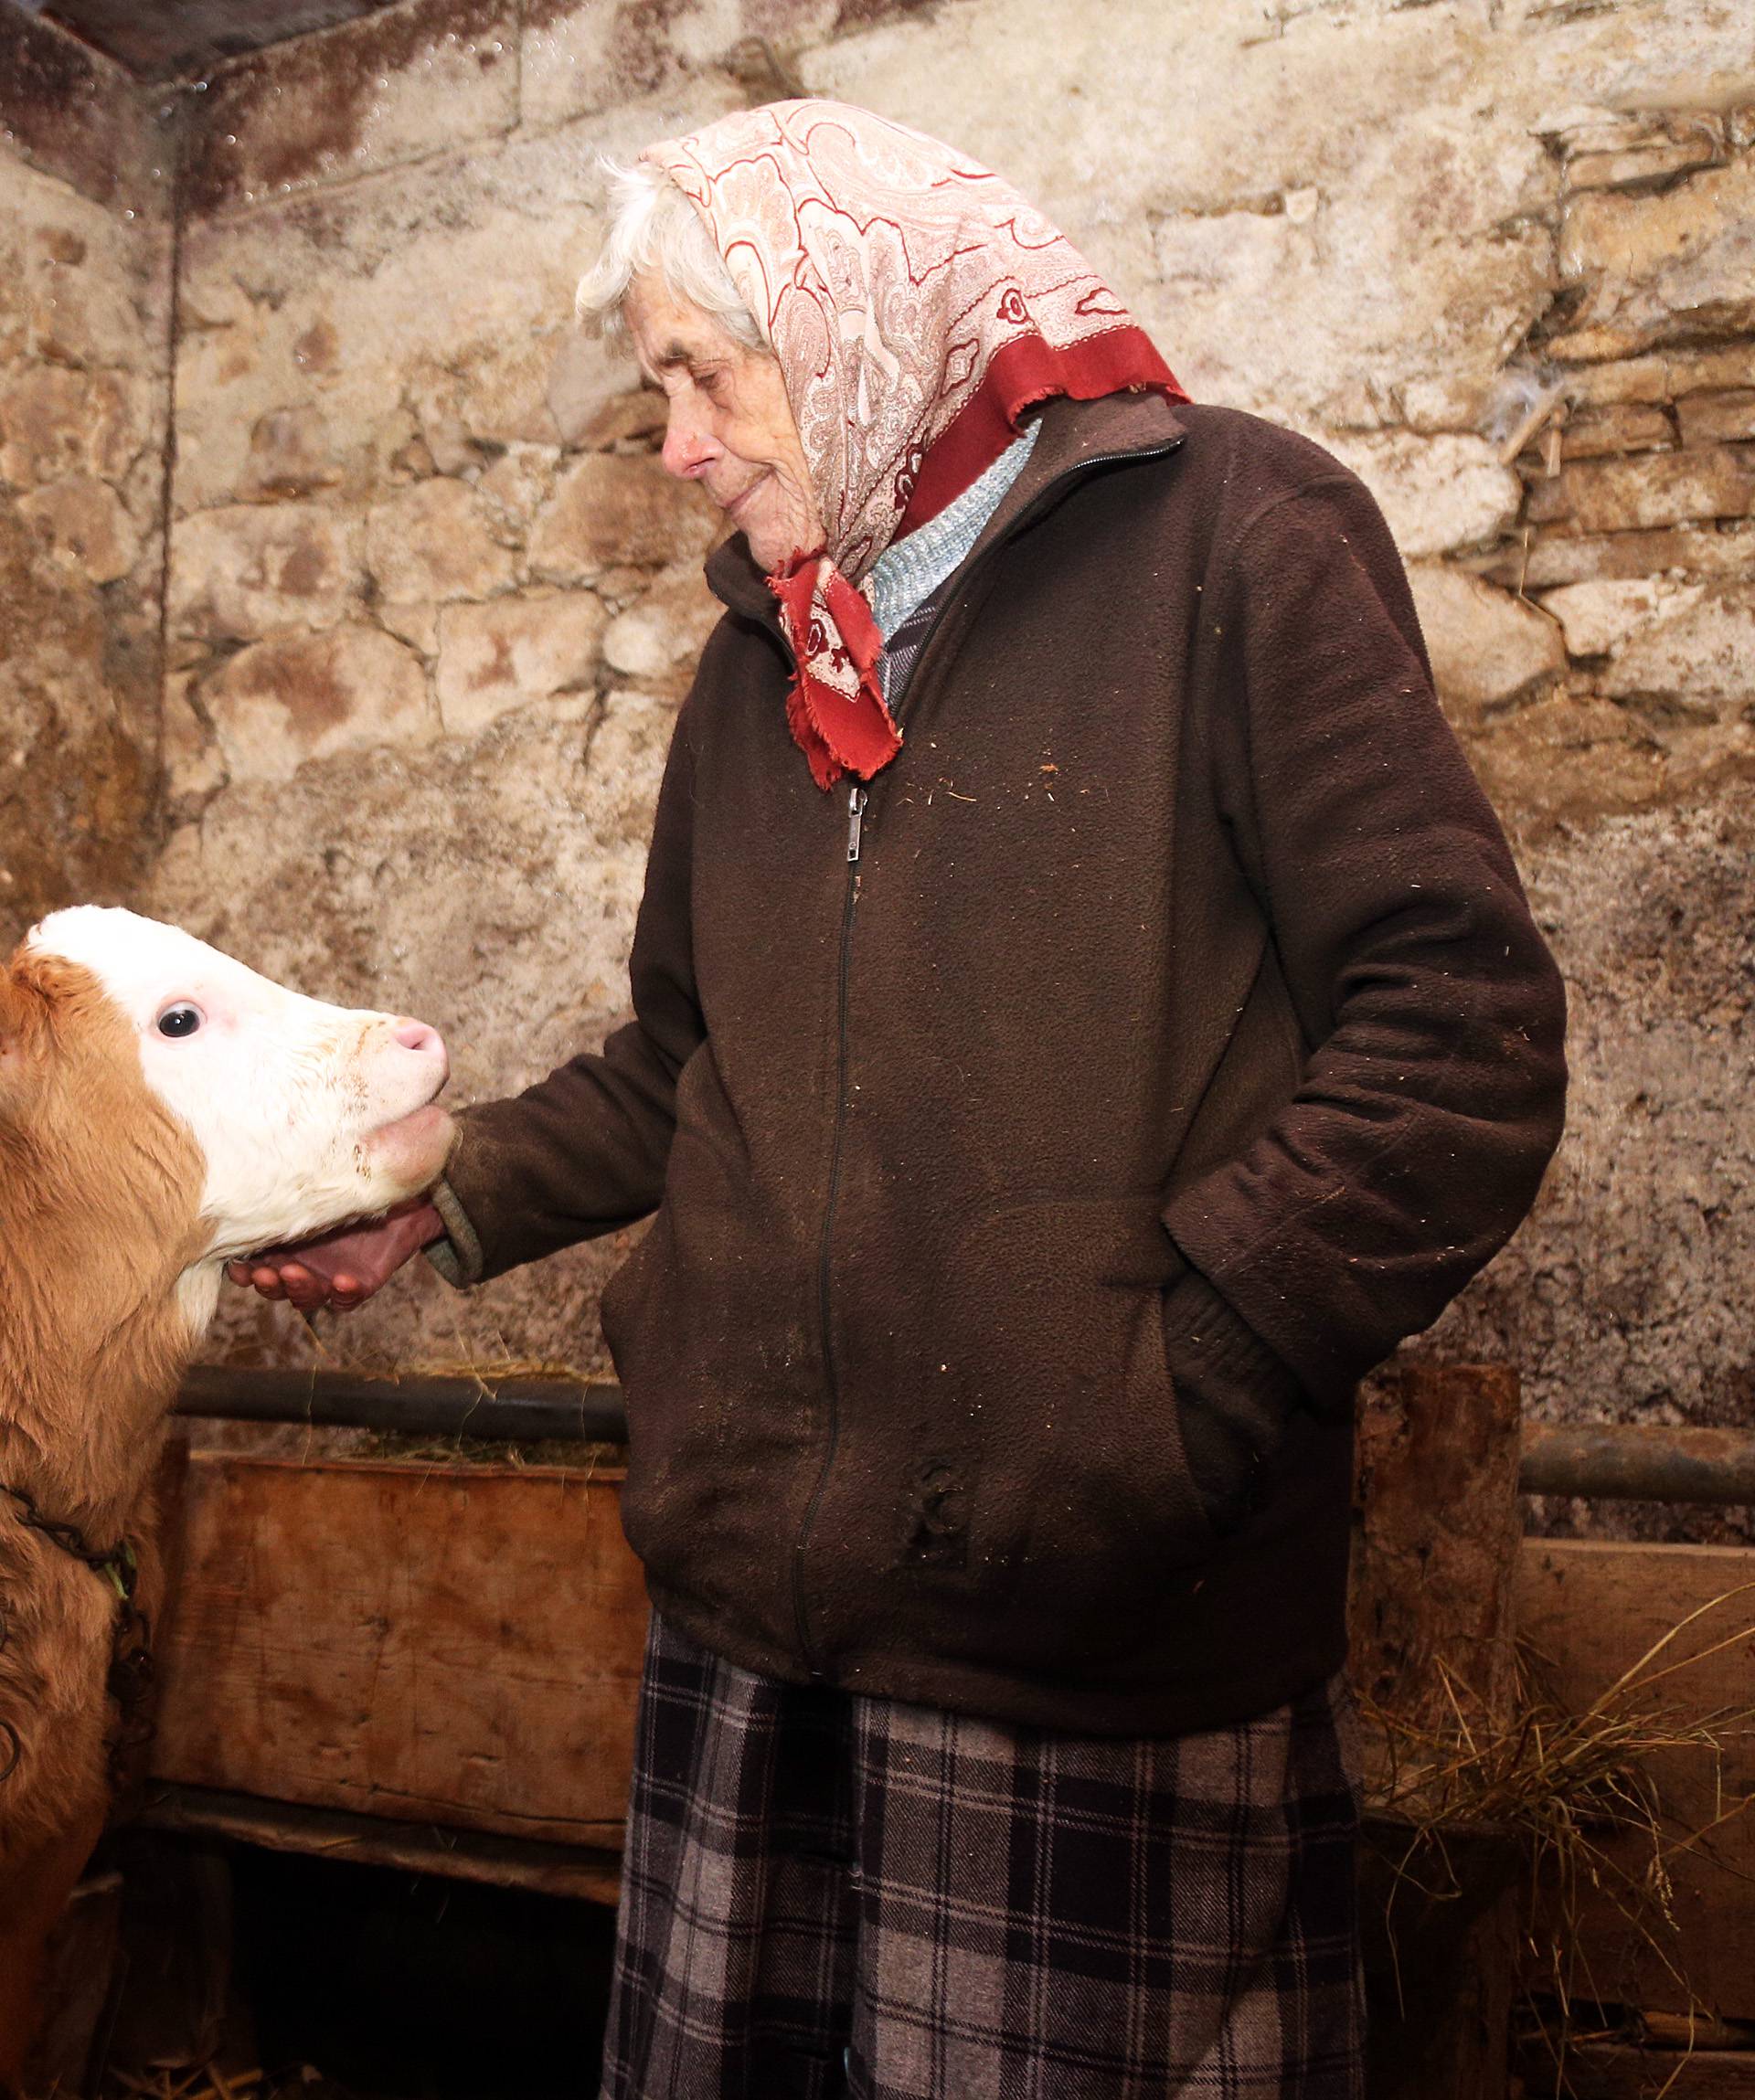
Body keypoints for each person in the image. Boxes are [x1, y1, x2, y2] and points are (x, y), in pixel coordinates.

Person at [234, 100, 1568, 2100]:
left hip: (1085, 1629)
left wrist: (1162, 1396)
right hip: (752, 1613)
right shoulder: (768, 650)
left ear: (861, 312)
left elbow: (1460, 1030)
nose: (678, 440)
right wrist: (442, 1192)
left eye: (704, 371)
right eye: (657, 385)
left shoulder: (1236, 540)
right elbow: (688, 1057)